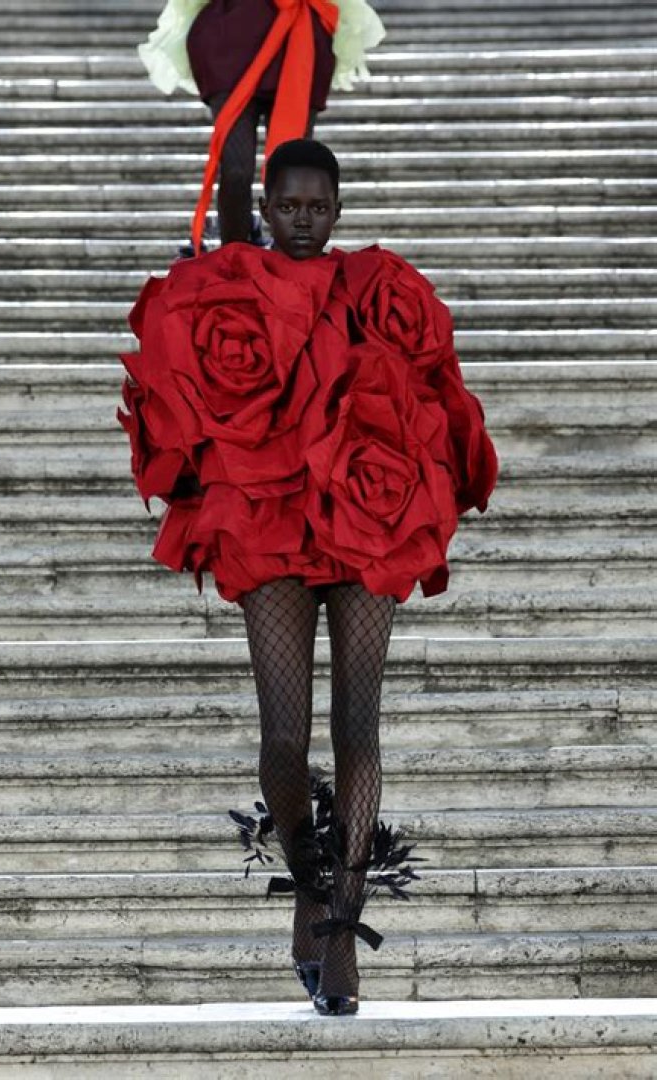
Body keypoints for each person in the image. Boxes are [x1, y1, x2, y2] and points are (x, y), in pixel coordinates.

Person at [118, 139, 499, 1015]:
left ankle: (342, 931)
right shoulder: (231, 279)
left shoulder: (371, 288)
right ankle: (307, 884)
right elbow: (179, 379)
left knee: (358, 721)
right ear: (266, 205)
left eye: (316, 207)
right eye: (286, 206)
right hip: (267, 518)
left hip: (365, 518)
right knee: (284, 734)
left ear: (337, 207)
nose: (301, 220)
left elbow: (425, 388)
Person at [137, 0, 386, 249]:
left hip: (300, 38)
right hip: (230, 39)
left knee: (295, 171)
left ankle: (291, 265)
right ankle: (233, 255)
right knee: (236, 170)